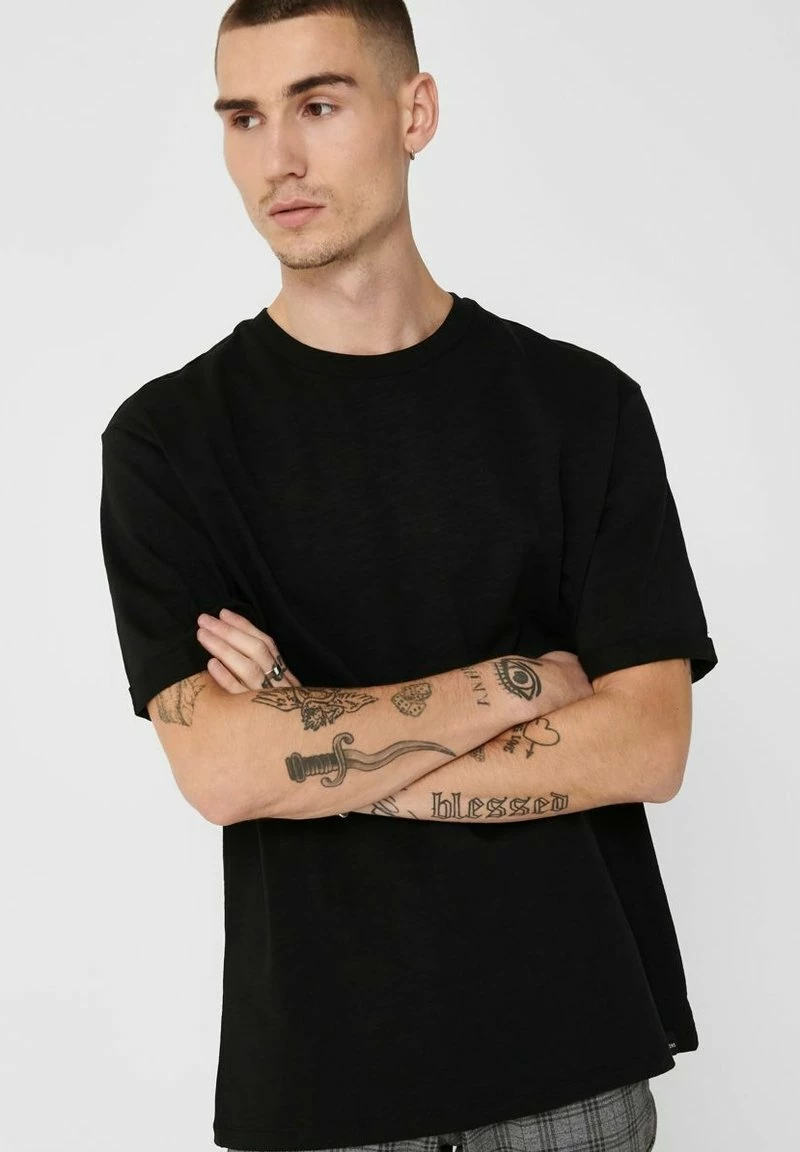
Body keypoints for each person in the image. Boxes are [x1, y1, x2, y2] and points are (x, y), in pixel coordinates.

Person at [98, 2, 718, 1151]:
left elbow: (646, 745)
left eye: (317, 105)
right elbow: (223, 769)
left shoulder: (580, 409)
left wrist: (310, 745)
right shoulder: (165, 443)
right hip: (325, 1090)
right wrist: (520, 683)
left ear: (413, 112)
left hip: (570, 1067)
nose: (277, 158)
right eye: (244, 117)